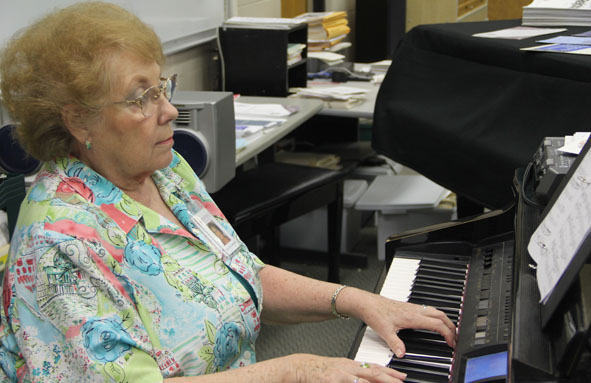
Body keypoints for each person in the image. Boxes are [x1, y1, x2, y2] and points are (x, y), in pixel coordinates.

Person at [0, 2, 456, 382]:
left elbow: (243, 274)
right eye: (141, 98)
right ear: (78, 120)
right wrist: (293, 371)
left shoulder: (165, 170)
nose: (171, 110)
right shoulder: (59, 245)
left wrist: (359, 300)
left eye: (162, 87)